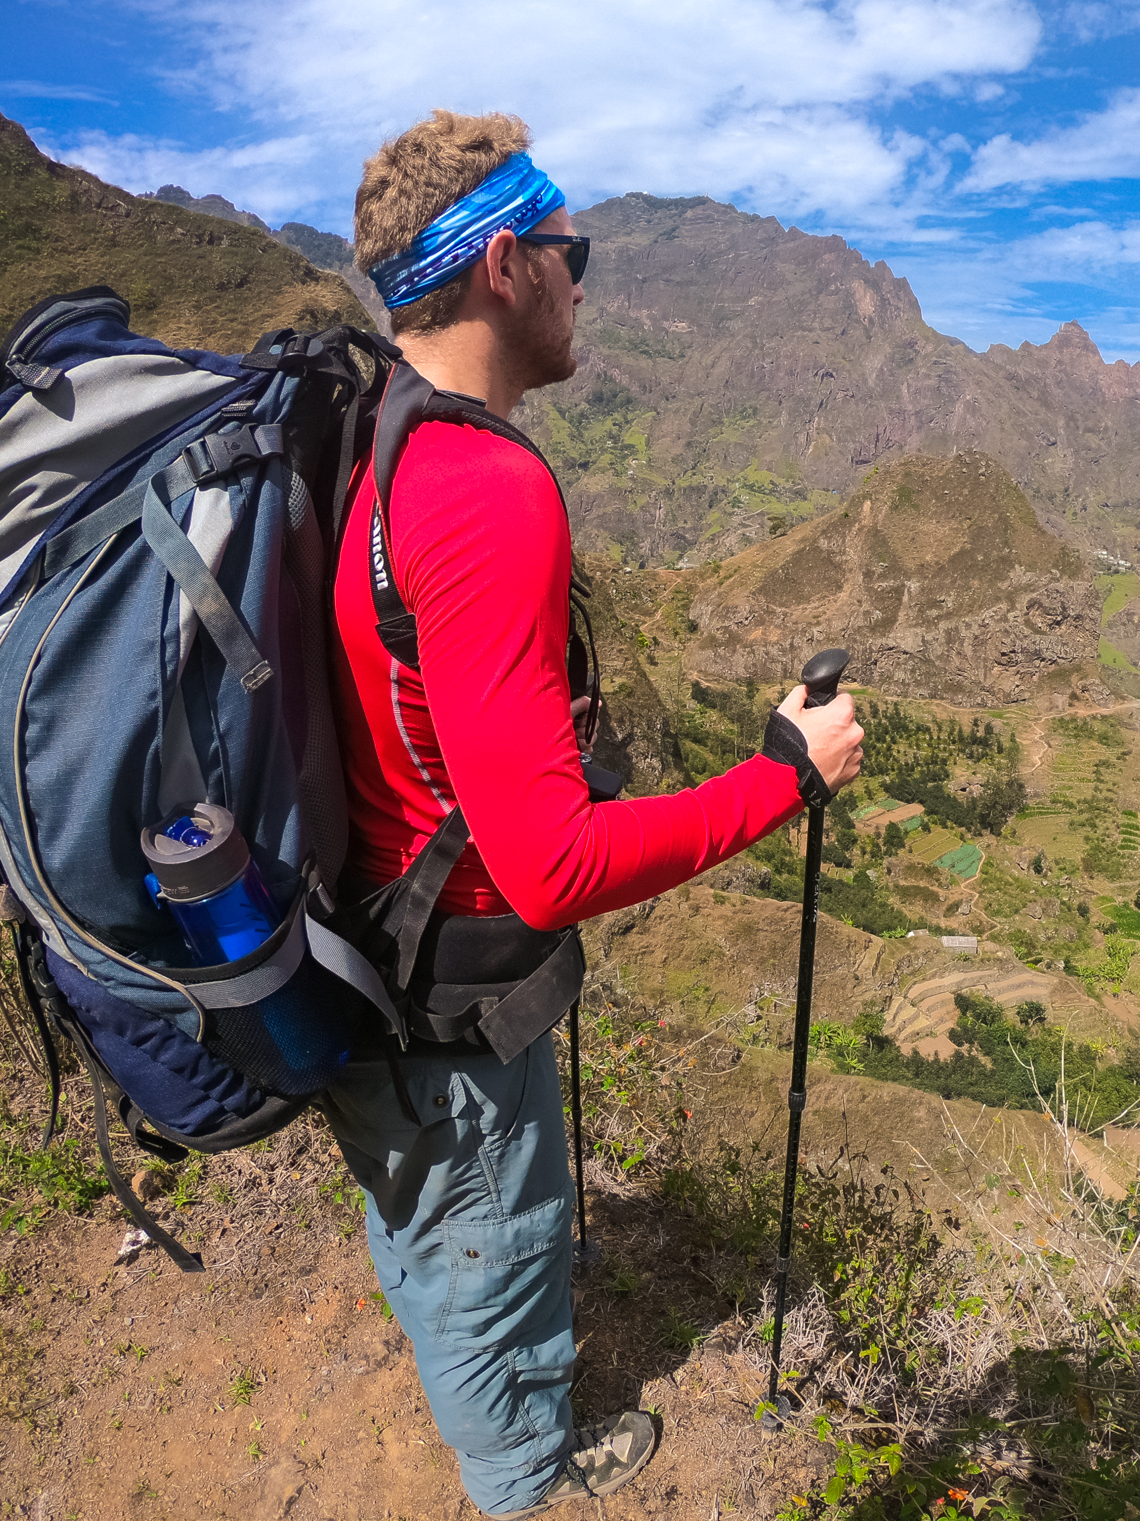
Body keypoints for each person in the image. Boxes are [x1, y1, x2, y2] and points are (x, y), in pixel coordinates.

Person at [323, 110, 863, 1517]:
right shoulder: (487, 493)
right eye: (578, 253)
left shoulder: (367, 435)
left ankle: (483, 1402)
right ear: (507, 265)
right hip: (459, 986)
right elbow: (551, 864)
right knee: (499, 1227)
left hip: (364, 942)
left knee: (436, 1224)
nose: (588, 282)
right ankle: (523, 1473)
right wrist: (782, 778)